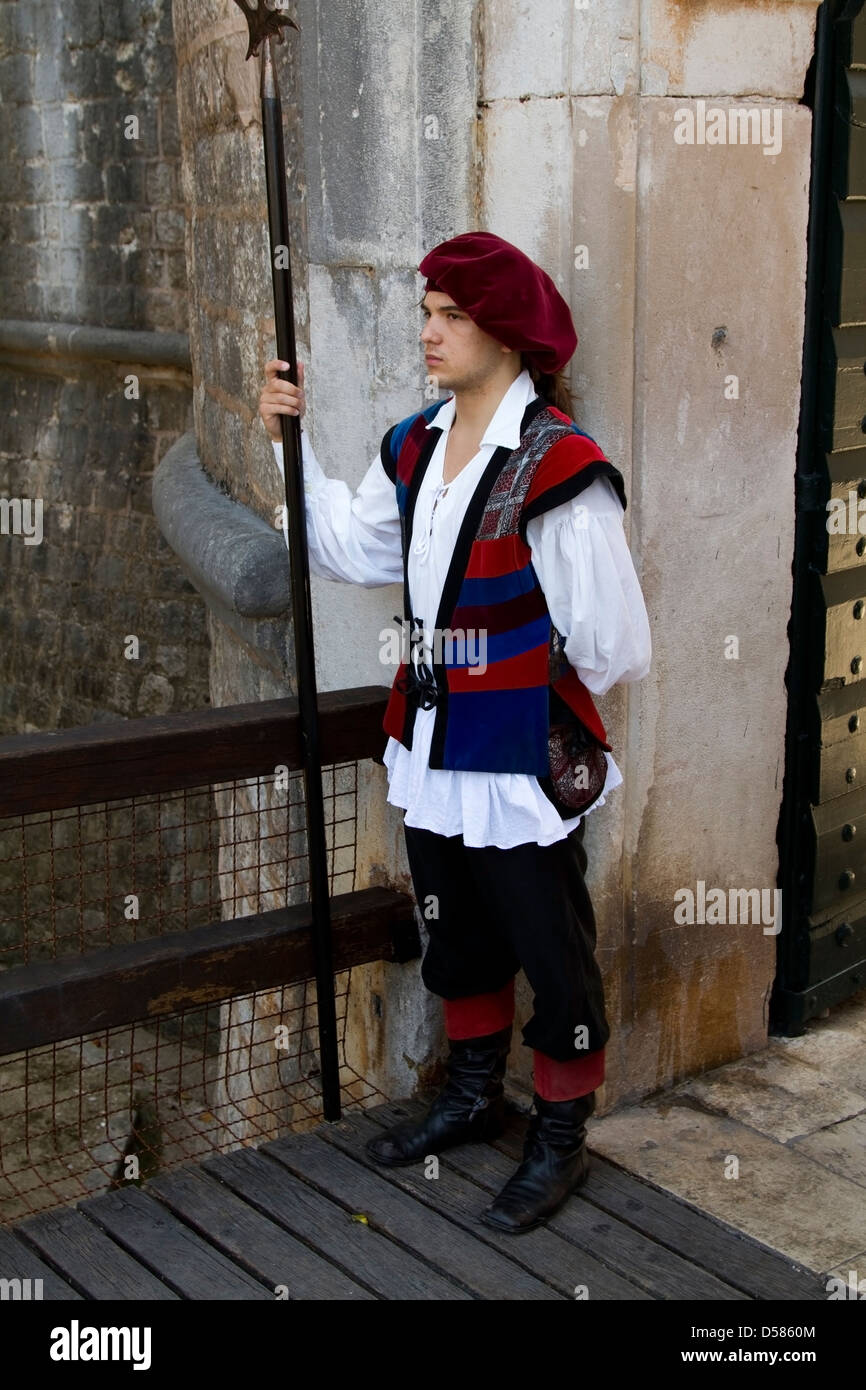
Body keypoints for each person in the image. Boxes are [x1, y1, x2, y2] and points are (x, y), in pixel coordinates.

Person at [258, 231, 651, 1234]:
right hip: (427, 741)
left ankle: (560, 1131)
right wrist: (286, 437)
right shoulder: (417, 446)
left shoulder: (559, 465)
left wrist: (515, 687)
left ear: (506, 334)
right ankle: (473, 1093)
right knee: (455, 924)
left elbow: (607, 641)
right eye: (424, 315)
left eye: (451, 318)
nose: (428, 334)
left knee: (548, 940)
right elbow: (346, 545)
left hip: (513, 752)